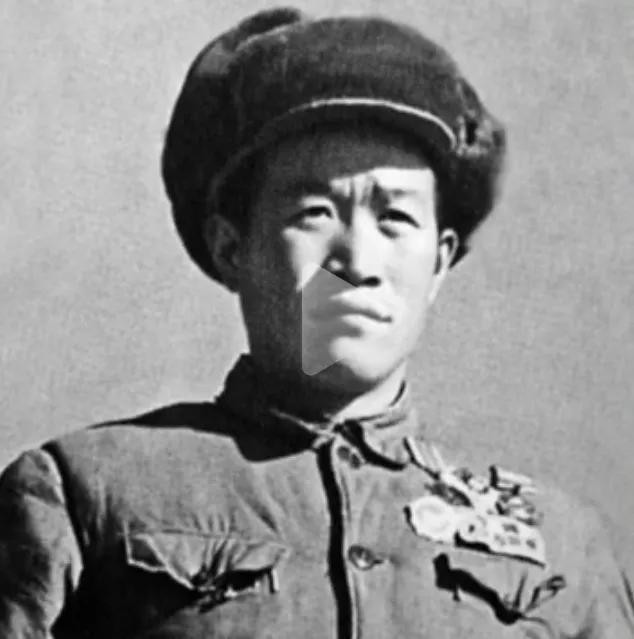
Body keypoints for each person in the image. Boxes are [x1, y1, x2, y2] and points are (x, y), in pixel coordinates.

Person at [0, 7, 632, 639]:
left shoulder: (563, 550)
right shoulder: (87, 493)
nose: (356, 262)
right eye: (314, 212)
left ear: (439, 262)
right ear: (232, 247)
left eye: (395, 219)